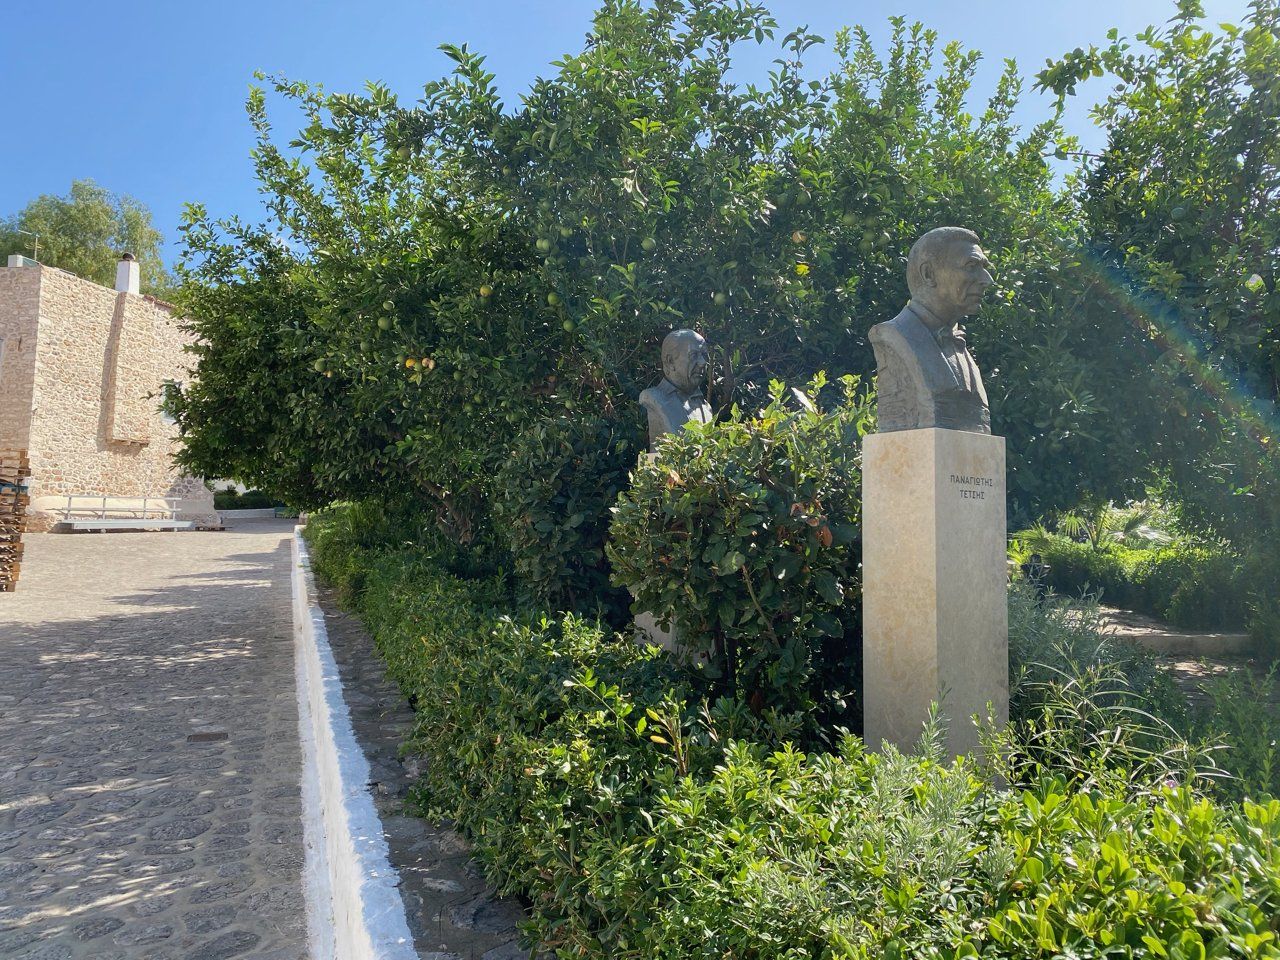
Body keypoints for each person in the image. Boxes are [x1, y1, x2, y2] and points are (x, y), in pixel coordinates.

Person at [868, 227, 994, 433]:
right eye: (971, 266)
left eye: (984, 267)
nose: (987, 280)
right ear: (928, 274)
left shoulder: (959, 344)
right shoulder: (894, 336)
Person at [639, 329, 712, 451]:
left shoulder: (706, 407)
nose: (702, 362)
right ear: (670, 361)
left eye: (704, 355)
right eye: (693, 355)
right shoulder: (654, 399)